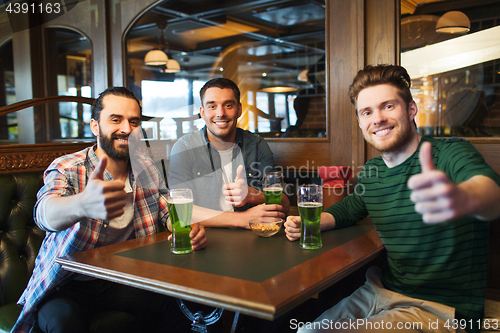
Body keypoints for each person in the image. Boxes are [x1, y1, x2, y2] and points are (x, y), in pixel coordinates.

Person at [285, 65, 500, 333]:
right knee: (307, 331)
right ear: (361, 122)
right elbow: (349, 210)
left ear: (411, 110)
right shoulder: (372, 172)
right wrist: (309, 221)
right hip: (379, 291)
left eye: (388, 106)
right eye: (367, 112)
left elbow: (490, 193)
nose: (377, 118)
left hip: (442, 308)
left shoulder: (450, 152)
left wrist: (463, 198)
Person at [12, 87, 207, 333]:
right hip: (65, 283)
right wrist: (83, 203)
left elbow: (165, 209)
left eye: (133, 121)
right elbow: (44, 214)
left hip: (119, 280)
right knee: (64, 323)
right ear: (95, 126)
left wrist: (186, 228)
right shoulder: (68, 167)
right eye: (116, 119)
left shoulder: (145, 166)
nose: (126, 128)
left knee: (180, 304)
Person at [168, 77, 290, 228]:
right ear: (202, 112)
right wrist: (242, 219)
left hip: (252, 238)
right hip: (205, 236)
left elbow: (284, 204)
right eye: (212, 106)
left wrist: (252, 195)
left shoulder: (257, 145)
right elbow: (178, 210)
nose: (221, 113)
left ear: (239, 109)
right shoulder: (185, 148)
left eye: (228, 105)